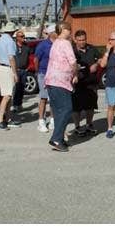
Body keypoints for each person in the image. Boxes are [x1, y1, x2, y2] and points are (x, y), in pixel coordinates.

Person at [44, 21, 77, 151]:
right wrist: (75, 73)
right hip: (61, 80)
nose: (70, 31)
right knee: (67, 109)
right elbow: (72, 61)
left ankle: (60, 139)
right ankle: (56, 138)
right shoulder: (65, 43)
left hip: (51, 80)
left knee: (58, 111)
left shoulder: (55, 43)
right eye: (69, 29)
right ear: (63, 29)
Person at [71, 29, 100, 136]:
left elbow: (100, 59)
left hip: (91, 82)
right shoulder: (72, 51)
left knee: (90, 106)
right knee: (76, 107)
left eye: (84, 39)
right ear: (75, 40)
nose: (82, 42)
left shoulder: (92, 48)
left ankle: (89, 124)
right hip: (77, 82)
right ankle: (77, 126)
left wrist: (96, 64)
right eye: (80, 40)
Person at [98, 30, 115, 138]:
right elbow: (102, 65)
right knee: (111, 106)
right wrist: (107, 51)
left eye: (112, 39)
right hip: (110, 83)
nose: (110, 41)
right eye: (109, 39)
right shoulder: (109, 52)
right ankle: (110, 128)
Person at [0, 31, 19, 130]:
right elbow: (11, 58)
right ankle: (0, 120)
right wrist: (15, 73)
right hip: (8, 68)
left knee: (7, 95)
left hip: (1, 67)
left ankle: (7, 119)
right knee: (7, 95)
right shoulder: (10, 41)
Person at [33, 25, 55, 133]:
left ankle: (52, 120)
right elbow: (36, 59)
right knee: (44, 97)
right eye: (56, 32)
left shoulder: (58, 44)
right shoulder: (42, 45)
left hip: (54, 74)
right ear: (51, 33)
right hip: (43, 73)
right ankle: (41, 121)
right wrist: (38, 72)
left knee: (53, 98)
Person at [11, 31, 30, 113]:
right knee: (16, 88)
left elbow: (30, 57)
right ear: (17, 38)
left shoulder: (26, 47)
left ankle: (19, 104)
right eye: (21, 36)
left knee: (22, 88)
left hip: (24, 70)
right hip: (16, 70)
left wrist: (28, 68)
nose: (23, 38)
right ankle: (14, 105)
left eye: (23, 36)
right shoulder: (13, 46)